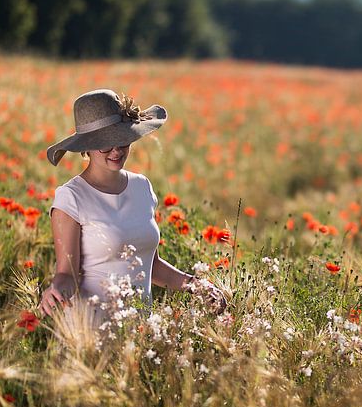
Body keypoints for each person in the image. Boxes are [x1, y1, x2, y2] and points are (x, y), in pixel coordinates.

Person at [40, 89, 226, 321]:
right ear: (86, 147)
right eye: (105, 145)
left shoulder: (142, 187)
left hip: (140, 331)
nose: (116, 150)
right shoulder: (72, 197)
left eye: (122, 140)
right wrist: (55, 290)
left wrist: (196, 285)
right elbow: (67, 274)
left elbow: (151, 265)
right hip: (91, 330)